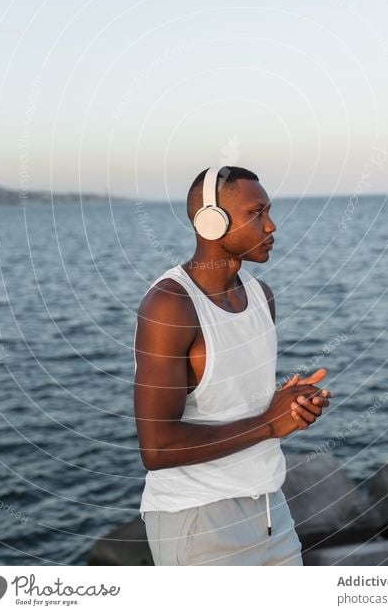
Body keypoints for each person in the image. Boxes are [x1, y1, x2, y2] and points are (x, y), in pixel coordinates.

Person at [133, 166, 332, 565]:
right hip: (198, 521)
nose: (271, 225)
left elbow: (237, 405)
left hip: (270, 510)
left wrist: (288, 407)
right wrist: (270, 424)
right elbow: (156, 448)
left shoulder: (262, 296)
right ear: (212, 222)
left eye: (268, 211)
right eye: (256, 213)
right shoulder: (170, 305)